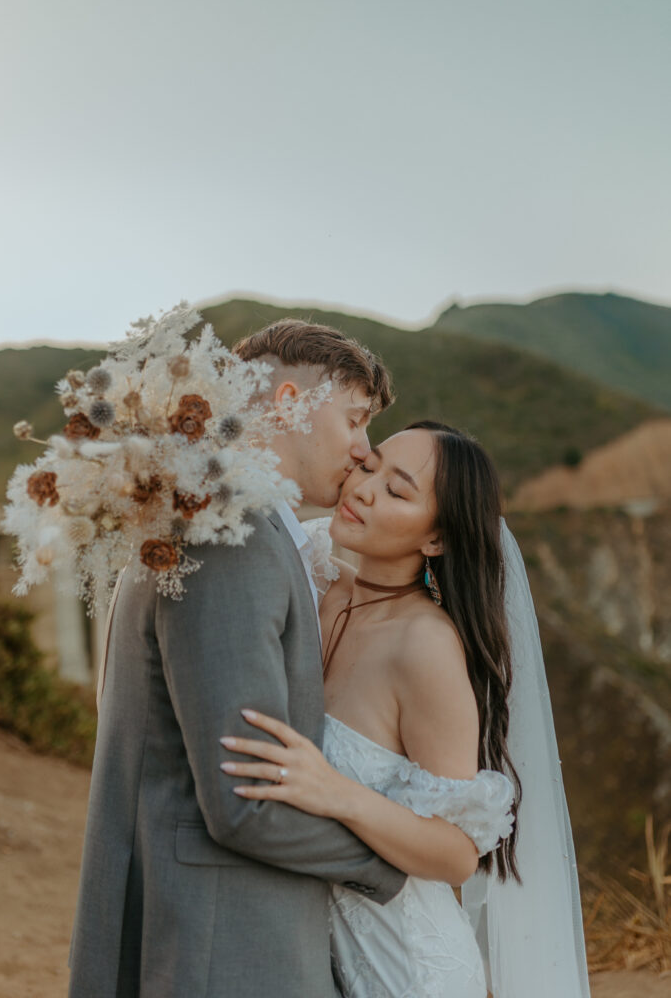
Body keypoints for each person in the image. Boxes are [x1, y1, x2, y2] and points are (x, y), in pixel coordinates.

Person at [68, 320, 408, 998]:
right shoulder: (233, 542)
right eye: (354, 420)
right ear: (286, 404)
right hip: (220, 950)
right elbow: (243, 803)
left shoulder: (220, 522)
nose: (364, 452)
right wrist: (392, 862)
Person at [222, 421, 591, 997]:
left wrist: (336, 792)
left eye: (397, 491)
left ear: (436, 540)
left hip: (407, 973)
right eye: (369, 468)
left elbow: (454, 855)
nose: (364, 490)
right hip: (309, 955)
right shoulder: (317, 581)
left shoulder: (424, 647)